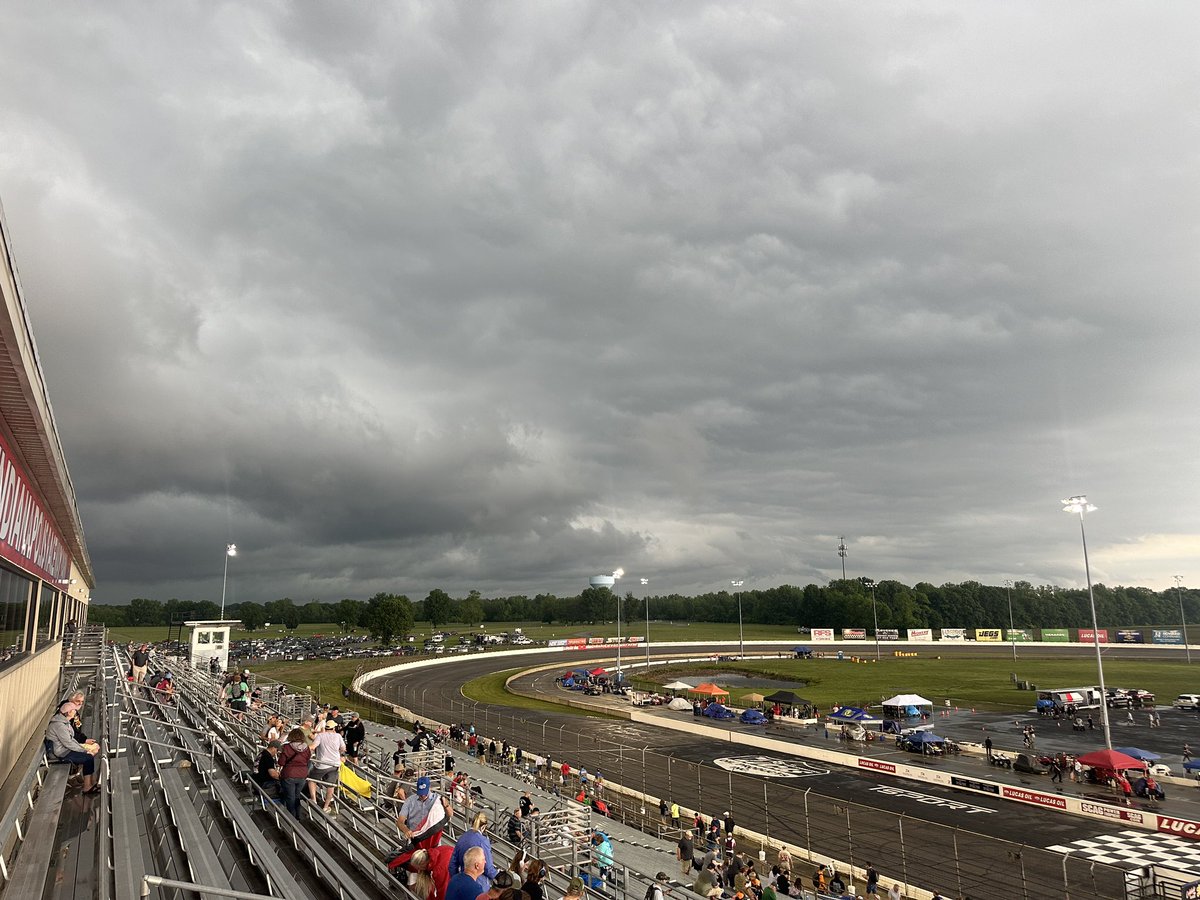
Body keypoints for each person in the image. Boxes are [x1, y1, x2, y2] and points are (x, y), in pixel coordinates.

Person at [46, 699, 100, 793]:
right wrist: (83, 750)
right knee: (88, 758)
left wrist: (82, 747)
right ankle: (87, 786)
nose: (75, 712)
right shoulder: (60, 725)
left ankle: (89, 781)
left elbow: (71, 739)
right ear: (69, 712)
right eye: (74, 710)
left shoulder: (64, 721)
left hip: (64, 749)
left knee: (90, 754)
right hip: (61, 752)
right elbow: (68, 743)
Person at [398, 776, 453, 851]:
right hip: (415, 840)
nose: (422, 795)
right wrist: (406, 830)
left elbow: (450, 815)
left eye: (424, 792)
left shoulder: (437, 800)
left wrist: (446, 805)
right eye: (420, 793)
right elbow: (400, 821)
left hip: (432, 840)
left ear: (429, 788)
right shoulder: (410, 801)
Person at [450, 811, 498, 890]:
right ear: (484, 827)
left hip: (463, 881)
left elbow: (452, 865)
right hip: (480, 884)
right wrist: (499, 876)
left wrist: (456, 880)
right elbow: (488, 868)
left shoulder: (462, 838)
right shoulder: (483, 841)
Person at [277, 727, 311, 817]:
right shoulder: (306, 748)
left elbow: (281, 762)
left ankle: (292, 817)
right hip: (302, 774)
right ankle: (298, 816)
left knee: (290, 797)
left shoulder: (287, 747)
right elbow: (308, 760)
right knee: (297, 796)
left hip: (289, 774)